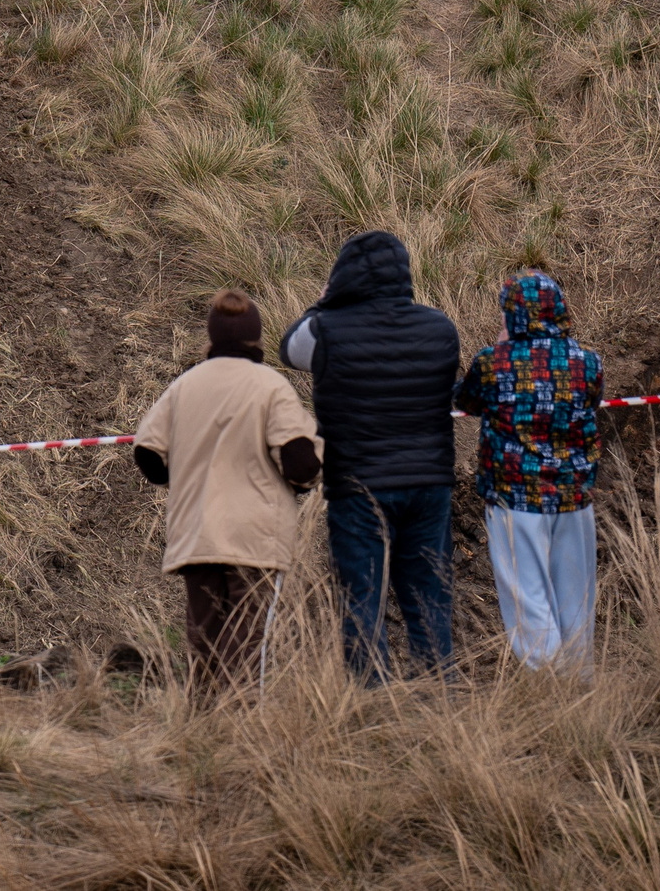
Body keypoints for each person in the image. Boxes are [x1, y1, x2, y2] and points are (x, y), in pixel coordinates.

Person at [279, 230, 462, 682]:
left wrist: (322, 303)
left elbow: (289, 349)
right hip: (430, 483)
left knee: (361, 598)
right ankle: (439, 691)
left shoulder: (325, 329)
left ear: (345, 276)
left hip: (358, 485)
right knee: (429, 595)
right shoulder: (440, 327)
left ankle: (371, 697)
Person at [133, 291, 321, 695]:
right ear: (257, 336)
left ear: (211, 335)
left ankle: (202, 722)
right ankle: (240, 724)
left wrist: (186, 476)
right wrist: (297, 484)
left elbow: (148, 454)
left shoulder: (183, 386)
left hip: (197, 532)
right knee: (248, 644)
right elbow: (302, 464)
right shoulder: (271, 387)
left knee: (204, 640)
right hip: (255, 538)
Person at [453, 271, 603, 672]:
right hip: (573, 496)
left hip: (515, 496)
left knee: (528, 599)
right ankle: (580, 683)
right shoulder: (587, 362)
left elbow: (465, 400)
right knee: (577, 600)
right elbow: (593, 400)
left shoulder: (493, 362)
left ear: (513, 315)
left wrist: (503, 346)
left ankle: (549, 686)